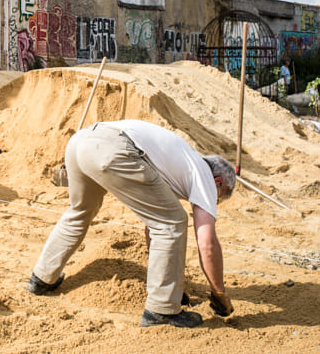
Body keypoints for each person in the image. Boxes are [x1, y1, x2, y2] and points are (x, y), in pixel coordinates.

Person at [26, 119, 236, 328]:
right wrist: (219, 292)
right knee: (173, 222)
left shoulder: (178, 163)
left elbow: (152, 225)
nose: (213, 202)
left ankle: (42, 278)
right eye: (219, 197)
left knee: (80, 211)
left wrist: (171, 283)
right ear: (218, 182)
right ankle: (162, 310)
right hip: (114, 147)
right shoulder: (204, 176)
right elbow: (207, 244)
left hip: (81, 141)